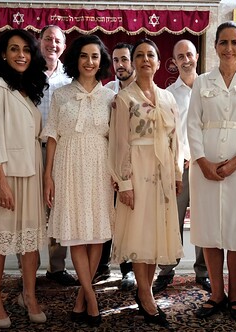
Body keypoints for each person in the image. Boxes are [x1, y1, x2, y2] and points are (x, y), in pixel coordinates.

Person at [187, 21, 236, 323]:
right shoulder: (202, 82)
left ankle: (235, 295)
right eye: (224, 42)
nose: (229, 48)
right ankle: (216, 293)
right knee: (209, 230)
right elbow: (192, 123)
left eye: (235, 42)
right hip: (204, 168)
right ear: (215, 46)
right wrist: (202, 161)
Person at [0, 29, 48, 328]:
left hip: (30, 174)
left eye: (26, 50)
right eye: (14, 49)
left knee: (29, 241)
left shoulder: (29, 89)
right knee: (0, 240)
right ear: (3, 54)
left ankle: (29, 296)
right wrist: (2, 181)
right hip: (3, 173)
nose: (21, 55)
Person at [109, 38, 183, 327]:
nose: (145, 59)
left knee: (154, 233)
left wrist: (176, 173)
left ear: (158, 60)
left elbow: (175, 139)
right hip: (136, 171)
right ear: (133, 61)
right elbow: (117, 144)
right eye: (138, 55)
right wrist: (124, 183)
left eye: (150, 55)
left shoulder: (168, 98)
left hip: (162, 172)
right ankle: (145, 292)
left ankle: (146, 289)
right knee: (139, 232)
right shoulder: (123, 98)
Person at [41, 35, 114, 327]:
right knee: (75, 233)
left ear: (101, 61)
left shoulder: (111, 97)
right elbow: (52, 136)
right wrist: (48, 175)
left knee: (96, 233)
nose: (89, 62)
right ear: (76, 59)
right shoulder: (61, 94)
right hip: (68, 167)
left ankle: (82, 297)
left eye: (95, 56)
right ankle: (91, 298)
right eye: (84, 56)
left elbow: (118, 140)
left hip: (99, 167)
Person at [152, 39, 210, 294]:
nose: (186, 60)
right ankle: (166, 270)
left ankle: (203, 271)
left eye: (190, 54)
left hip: (205, 166)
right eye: (180, 56)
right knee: (170, 220)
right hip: (178, 168)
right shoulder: (168, 95)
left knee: (203, 221)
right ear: (173, 62)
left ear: (197, 56)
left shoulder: (209, 88)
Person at [33, 25, 77, 286]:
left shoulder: (70, 77)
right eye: (48, 39)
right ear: (40, 41)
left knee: (57, 208)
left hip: (60, 152)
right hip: (30, 149)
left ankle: (57, 268)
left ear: (64, 45)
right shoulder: (28, 73)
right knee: (30, 209)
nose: (52, 44)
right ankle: (29, 266)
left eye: (58, 40)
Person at [94, 42, 136, 291]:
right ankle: (101, 267)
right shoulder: (108, 92)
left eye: (125, 59)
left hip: (134, 164)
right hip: (107, 163)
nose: (120, 65)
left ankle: (127, 269)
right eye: (116, 60)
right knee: (107, 215)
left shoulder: (143, 91)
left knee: (127, 218)